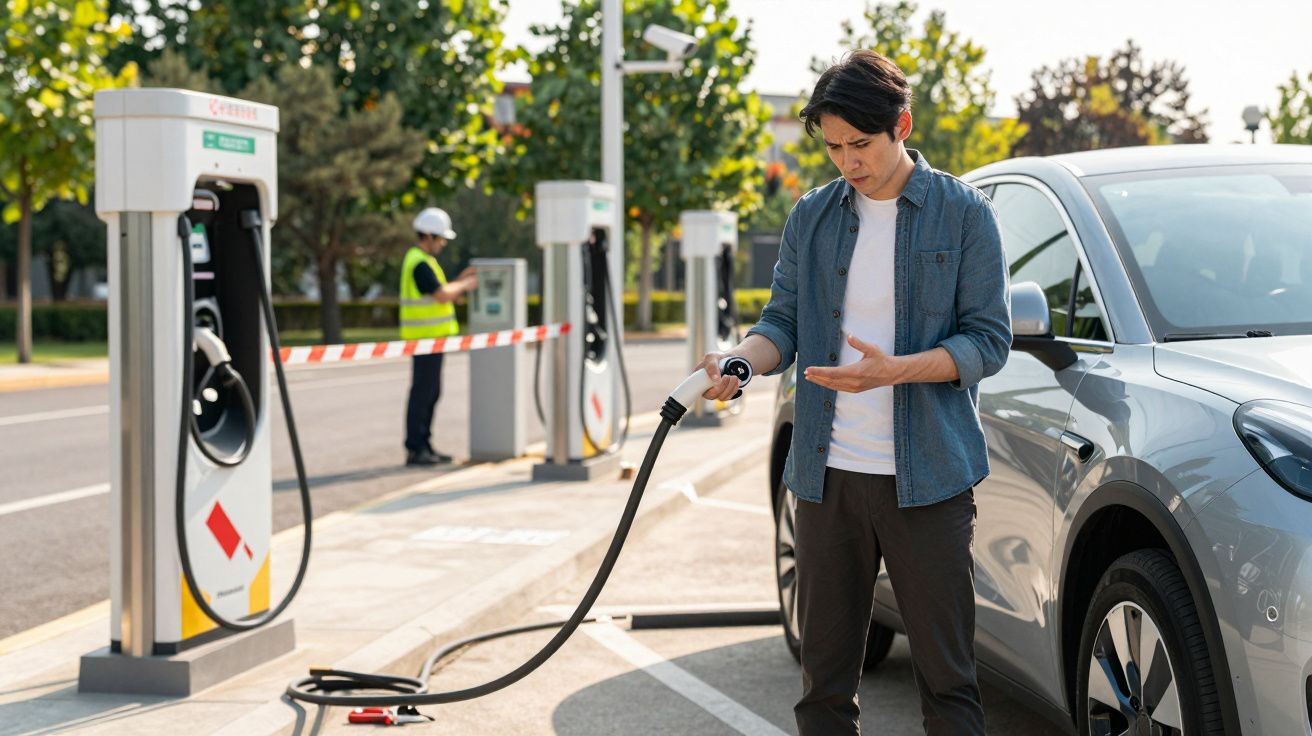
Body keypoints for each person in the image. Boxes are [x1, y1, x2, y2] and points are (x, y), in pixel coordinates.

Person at [697, 50, 1011, 735]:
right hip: (825, 479)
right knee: (823, 688)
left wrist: (896, 369)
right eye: (833, 146)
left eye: (860, 144)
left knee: (950, 686)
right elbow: (781, 321)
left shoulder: (963, 215)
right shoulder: (811, 216)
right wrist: (742, 366)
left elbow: (989, 342)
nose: (847, 161)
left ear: (901, 124)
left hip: (928, 481)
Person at [401, 207, 478, 466]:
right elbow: (442, 295)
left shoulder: (425, 262)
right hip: (425, 339)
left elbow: (442, 291)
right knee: (423, 393)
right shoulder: (419, 262)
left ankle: (425, 445)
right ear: (428, 236)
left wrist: (458, 281)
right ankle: (416, 449)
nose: (443, 243)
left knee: (431, 393)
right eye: (441, 238)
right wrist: (465, 285)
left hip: (432, 340)